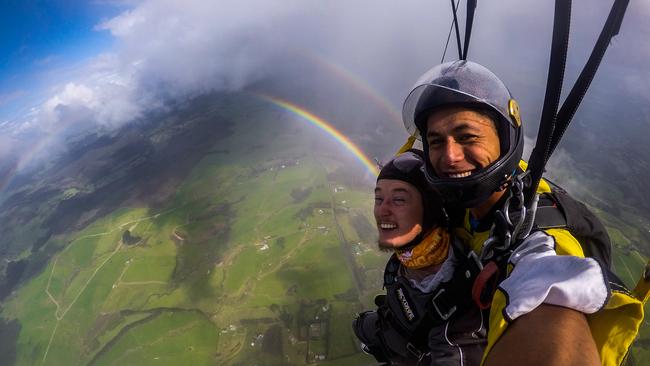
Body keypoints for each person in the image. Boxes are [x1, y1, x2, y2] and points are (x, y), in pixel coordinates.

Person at [401, 60, 647, 366]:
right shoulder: (472, 201)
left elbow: (550, 297)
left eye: (467, 137)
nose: (449, 156)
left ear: (505, 142)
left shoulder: (540, 241)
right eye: (436, 141)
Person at [353, 149, 486, 365]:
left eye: (398, 199)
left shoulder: (458, 322)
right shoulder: (408, 259)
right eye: (379, 198)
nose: (382, 210)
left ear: (429, 210)